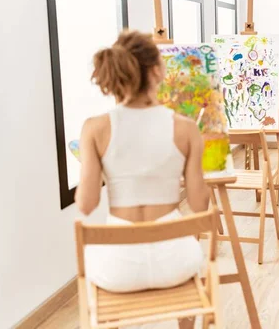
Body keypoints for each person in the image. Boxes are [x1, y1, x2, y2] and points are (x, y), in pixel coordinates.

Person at [75, 30, 209, 329]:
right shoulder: (186, 129)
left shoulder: (94, 129)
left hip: (117, 270)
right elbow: (200, 205)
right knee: (191, 260)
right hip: (175, 263)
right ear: (157, 71)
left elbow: (86, 204)